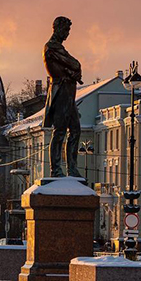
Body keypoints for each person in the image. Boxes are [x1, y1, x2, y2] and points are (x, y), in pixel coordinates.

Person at [42, 16, 83, 178]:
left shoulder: (58, 47)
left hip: (69, 93)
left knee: (75, 130)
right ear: (57, 29)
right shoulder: (51, 47)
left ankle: (72, 168)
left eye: (68, 31)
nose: (67, 34)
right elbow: (74, 64)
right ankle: (56, 169)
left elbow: (73, 68)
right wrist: (73, 70)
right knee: (59, 131)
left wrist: (72, 71)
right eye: (65, 30)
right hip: (61, 93)